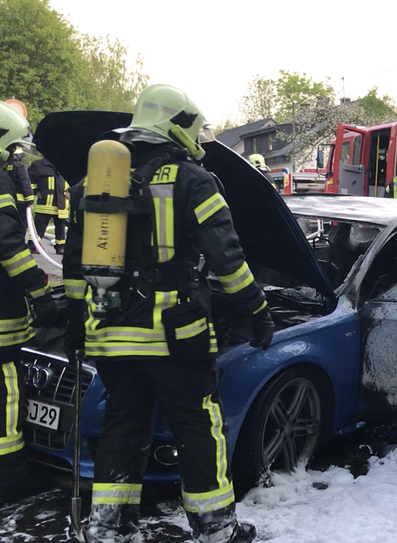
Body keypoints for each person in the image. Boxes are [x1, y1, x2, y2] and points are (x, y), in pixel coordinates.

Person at [63, 84, 272, 543]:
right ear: (179, 126)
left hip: (109, 334)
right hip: (176, 335)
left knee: (123, 423)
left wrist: (75, 321)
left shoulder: (94, 183)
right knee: (198, 426)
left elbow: (75, 263)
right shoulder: (194, 181)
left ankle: (108, 527)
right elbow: (226, 258)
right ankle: (216, 528)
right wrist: (256, 308)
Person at [0, 98, 57, 508]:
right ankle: (10, 491)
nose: (13, 157)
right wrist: (41, 293)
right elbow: (7, 247)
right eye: (11, 148)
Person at [27, 157, 69, 254]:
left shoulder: (67, 164)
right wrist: (36, 191)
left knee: (61, 228)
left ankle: (60, 246)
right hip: (45, 205)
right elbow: (27, 180)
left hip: (62, 205)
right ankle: (33, 245)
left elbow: (76, 180)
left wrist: (71, 191)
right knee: (39, 227)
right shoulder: (38, 165)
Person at [2, 146, 33, 236]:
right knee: (22, 224)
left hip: (9, 199)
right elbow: (25, 183)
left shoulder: (6, 165)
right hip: (21, 201)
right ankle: (20, 243)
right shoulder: (20, 166)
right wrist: (30, 202)